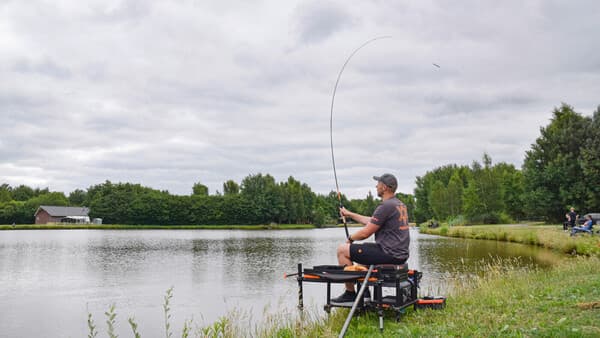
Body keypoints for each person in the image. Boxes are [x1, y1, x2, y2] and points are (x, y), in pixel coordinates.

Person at [331, 173, 410, 303]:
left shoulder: (385, 206)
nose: (376, 186)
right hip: (399, 253)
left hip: (389, 253)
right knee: (363, 258)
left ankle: (350, 293)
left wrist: (350, 239)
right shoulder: (398, 204)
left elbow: (365, 233)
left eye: (378, 183)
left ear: (384, 187)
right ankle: (365, 294)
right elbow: (372, 221)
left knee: (342, 250)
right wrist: (349, 214)